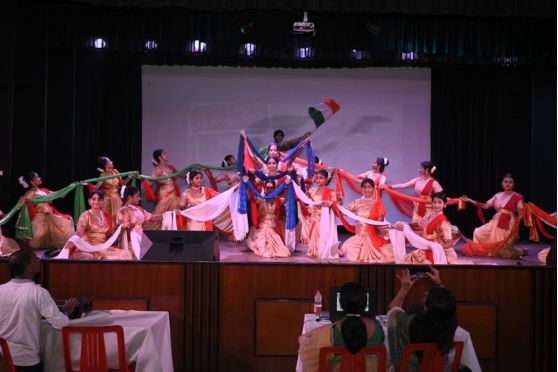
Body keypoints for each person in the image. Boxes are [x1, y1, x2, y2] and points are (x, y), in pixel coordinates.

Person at [0, 249, 77, 371]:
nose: (39, 260)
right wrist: (66, 311)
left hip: (3, 360)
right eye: (35, 259)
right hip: (27, 362)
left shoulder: (1, 290)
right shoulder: (38, 293)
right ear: (29, 268)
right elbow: (61, 324)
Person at [298, 282, 385, 372]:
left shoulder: (331, 331)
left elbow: (307, 351)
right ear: (365, 303)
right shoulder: (378, 327)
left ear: (341, 304)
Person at [387, 267, 458, 372]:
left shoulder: (414, 323)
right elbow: (446, 306)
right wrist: (438, 284)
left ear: (428, 306)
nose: (425, 293)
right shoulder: (450, 323)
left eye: (428, 294)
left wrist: (404, 288)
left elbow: (393, 312)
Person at [460, 173, 525, 258]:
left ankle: (519, 251)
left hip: (508, 223)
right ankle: (480, 250)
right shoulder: (497, 195)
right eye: (505, 182)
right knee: (478, 232)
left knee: (503, 251)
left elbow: (521, 210)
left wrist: (522, 208)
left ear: (514, 184)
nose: (508, 184)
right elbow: (485, 206)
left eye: (510, 182)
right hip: (495, 221)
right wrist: (470, 200)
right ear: (502, 183)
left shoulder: (517, 197)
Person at [339, 179, 397, 263]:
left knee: (384, 255)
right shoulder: (357, 202)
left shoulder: (378, 203)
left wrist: (391, 226)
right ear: (361, 189)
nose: (366, 190)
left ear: (373, 189)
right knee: (345, 249)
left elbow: (380, 224)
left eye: (369, 187)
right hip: (358, 238)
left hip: (371, 237)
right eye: (364, 187)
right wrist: (337, 203)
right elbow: (344, 212)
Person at [16, 172, 74, 250]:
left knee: (65, 222)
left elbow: (60, 194)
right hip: (38, 218)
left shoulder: (44, 191)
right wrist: (24, 200)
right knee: (35, 242)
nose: (40, 178)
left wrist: (70, 187)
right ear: (32, 182)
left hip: (49, 216)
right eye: (37, 177)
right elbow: (21, 204)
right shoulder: (30, 193)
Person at [68, 191, 132, 260]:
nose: (96, 202)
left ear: (103, 202)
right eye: (93, 199)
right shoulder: (85, 215)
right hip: (89, 247)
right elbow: (79, 233)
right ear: (89, 201)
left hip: (103, 247)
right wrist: (72, 241)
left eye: (99, 199)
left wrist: (121, 228)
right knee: (107, 258)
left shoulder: (107, 216)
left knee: (126, 254)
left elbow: (113, 237)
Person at [404, 192, 463, 265]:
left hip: (434, 250)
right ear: (431, 203)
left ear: (444, 205)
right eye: (434, 202)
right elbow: (419, 225)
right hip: (426, 246)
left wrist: (436, 247)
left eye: (439, 202)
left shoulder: (443, 221)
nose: (436, 205)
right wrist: (405, 225)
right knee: (409, 261)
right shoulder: (430, 215)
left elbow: (450, 243)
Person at [244, 177, 292, 258]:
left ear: (274, 189)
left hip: (274, 226)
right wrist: (246, 184)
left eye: (271, 188)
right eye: (267, 188)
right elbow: (250, 197)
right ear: (264, 188)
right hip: (262, 227)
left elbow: (286, 199)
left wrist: (286, 186)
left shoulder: (277, 200)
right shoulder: (260, 199)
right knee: (263, 247)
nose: (269, 190)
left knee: (281, 249)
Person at [144, 149, 182, 229]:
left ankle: (173, 232)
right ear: (160, 157)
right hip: (164, 194)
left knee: (175, 213)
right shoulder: (157, 169)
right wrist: (143, 179)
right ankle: (146, 232)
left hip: (174, 193)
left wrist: (191, 170)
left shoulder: (170, 168)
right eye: (164, 154)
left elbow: (181, 174)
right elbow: (150, 182)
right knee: (159, 213)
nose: (167, 155)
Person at [306, 170, 339, 258]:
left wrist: (330, 204)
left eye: (321, 178)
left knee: (325, 239)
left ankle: (328, 250)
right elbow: (309, 201)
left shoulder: (331, 192)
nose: (318, 180)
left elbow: (336, 206)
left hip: (325, 219)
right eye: (317, 178)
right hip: (314, 218)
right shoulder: (312, 191)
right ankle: (316, 250)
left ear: (326, 179)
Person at [92, 156, 132, 223]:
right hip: (107, 201)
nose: (111, 162)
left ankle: (117, 233)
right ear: (106, 165)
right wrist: (86, 184)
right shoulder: (103, 175)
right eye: (109, 161)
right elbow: (97, 187)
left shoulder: (115, 172)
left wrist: (129, 177)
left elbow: (122, 183)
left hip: (116, 200)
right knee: (106, 219)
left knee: (117, 218)